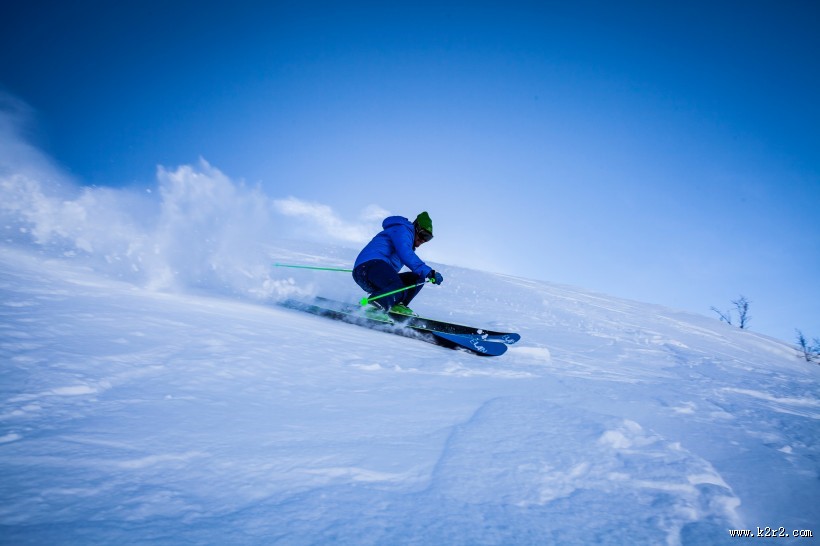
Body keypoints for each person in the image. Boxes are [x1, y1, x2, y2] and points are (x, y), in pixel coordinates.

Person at [352, 211, 444, 316]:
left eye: (427, 239)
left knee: (416, 279)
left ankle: (396, 305)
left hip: (377, 274)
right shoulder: (403, 230)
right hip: (368, 267)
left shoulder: (409, 241)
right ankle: (373, 306)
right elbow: (405, 253)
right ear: (416, 227)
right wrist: (429, 272)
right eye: (422, 235)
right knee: (397, 286)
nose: (422, 241)